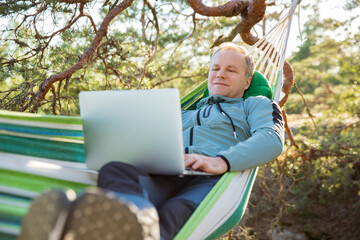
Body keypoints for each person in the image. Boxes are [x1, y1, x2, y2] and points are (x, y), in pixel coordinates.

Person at [19, 43, 284, 240]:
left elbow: (271, 139)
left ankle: (67, 224)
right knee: (115, 169)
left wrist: (221, 161)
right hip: (163, 171)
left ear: (247, 81)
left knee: (172, 214)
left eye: (231, 70)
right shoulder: (181, 111)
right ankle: (83, 224)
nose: (220, 74)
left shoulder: (255, 104)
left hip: (211, 182)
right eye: (215, 68)